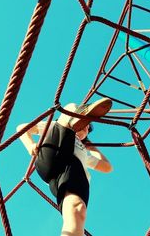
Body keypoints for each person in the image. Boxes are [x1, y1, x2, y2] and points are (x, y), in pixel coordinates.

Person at [17, 98, 113, 236]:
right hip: (53, 153)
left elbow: (107, 167)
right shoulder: (54, 126)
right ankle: (76, 114)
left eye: (87, 127)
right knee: (70, 106)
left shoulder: (83, 151)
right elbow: (22, 128)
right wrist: (30, 145)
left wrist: (91, 147)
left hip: (71, 170)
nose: (85, 127)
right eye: (85, 123)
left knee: (77, 210)